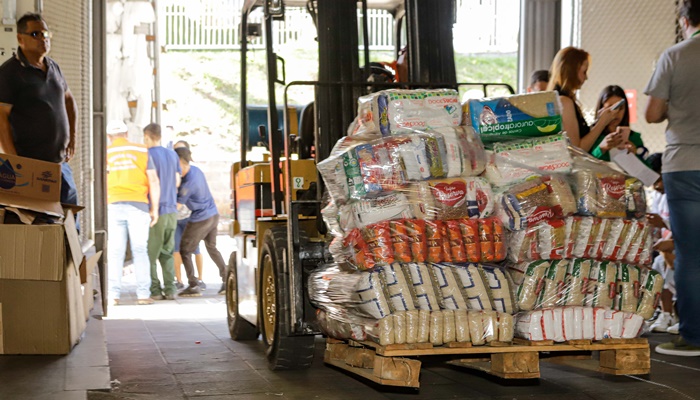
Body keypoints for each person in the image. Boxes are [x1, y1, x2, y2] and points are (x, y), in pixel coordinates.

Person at [644, 0, 700, 356]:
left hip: (685, 162)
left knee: (690, 254)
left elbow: (652, 114)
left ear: (685, 20)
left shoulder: (675, 55)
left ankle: (693, 335)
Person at [0, 13, 79, 208]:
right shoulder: (10, 73)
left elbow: (69, 100)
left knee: (69, 222)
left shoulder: (53, 67)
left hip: (60, 165)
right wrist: (17, 164)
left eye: (45, 33)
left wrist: (73, 138)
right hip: (32, 168)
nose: (43, 38)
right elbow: (1, 119)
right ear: (20, 38)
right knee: (42, 224)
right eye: (35, 34)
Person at [107, 120, 161, 306]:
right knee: (140, 250)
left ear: (109, 137)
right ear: (127, 134)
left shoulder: (106, 152)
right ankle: (143, 295)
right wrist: (155, 209)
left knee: (115, 251)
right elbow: (153, 180)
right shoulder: (141, 150)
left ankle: (112, 295)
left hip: (113, 203)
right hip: (139, 204)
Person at [175, 146, 227, 296]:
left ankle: (193, 285)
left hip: (201, 218)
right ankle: (226, 279)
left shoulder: (188, 183)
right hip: (213, 214)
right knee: (212, 247)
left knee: (185, 250)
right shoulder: (196, 170)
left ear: (181, 162)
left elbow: (177, 206)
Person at [547, 47, 617, 152]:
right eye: (584, 72)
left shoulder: (559, 99)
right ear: (571, 71)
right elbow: (576, 150)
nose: (586, 77)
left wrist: (597, 122)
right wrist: (601, 123)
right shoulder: (564, 102)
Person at [143, 123, 180, 301]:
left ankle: (155, 290)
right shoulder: (173, 155)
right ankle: (171, 289)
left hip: (154, 210)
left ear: (148, 137)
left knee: (150, 253)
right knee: (167, 251)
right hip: (172, 210)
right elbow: (178, 180)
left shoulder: (147, 155)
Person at [645, 153, 678, 334]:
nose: (656, 186)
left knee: (675, 266)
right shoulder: (658, 196)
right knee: (658, 265)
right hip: (670, 243)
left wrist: (670, 242)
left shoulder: (681, 194)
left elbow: (686, 225)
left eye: (659, 180)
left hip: (683, 245)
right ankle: (667, 314)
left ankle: (683, 315)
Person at [172, 140, 205, 290]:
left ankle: (199, 279)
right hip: (175, 217)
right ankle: (178, 280)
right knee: (176, 249)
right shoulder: (172, 170)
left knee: (195, 248)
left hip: (190, 216)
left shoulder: (193, 171)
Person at [589, 85, 646, 162]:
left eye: (620, 108)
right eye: (611, 108)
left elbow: (647, 170)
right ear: (601, 109)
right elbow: (584, 161)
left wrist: (634, 154)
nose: (615, 113)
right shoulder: (591, 136)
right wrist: (601, 148)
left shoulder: (634, 138)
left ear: (625, 110)